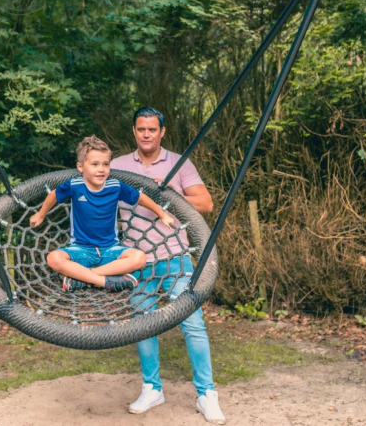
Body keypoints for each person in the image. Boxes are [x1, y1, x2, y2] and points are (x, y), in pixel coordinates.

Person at [111, 107, 226, 424]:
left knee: (193, 325)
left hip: (175, 258)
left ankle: (206, 394)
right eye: (140, 129)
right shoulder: (118, 166)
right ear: (134, 131)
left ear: (162, 132)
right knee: (143, 324)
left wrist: (175, 192)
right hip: (136, 261)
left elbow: (206, 203)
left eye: (151, 129)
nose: (146, 134)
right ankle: (152, 388)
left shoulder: (179, 163)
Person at [30, 135, 175, 292]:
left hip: (110, 250)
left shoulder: (115, 186)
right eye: (94, 164)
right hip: (80, 249)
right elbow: (53, 195)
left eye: (106, 164)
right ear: (80, 167)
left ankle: (86, 278)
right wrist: (41, 214)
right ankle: (106, 282)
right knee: (53, 258)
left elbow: (141, 197)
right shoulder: (75, 185)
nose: (101, 169)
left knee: (140, 258)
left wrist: (162, 214)